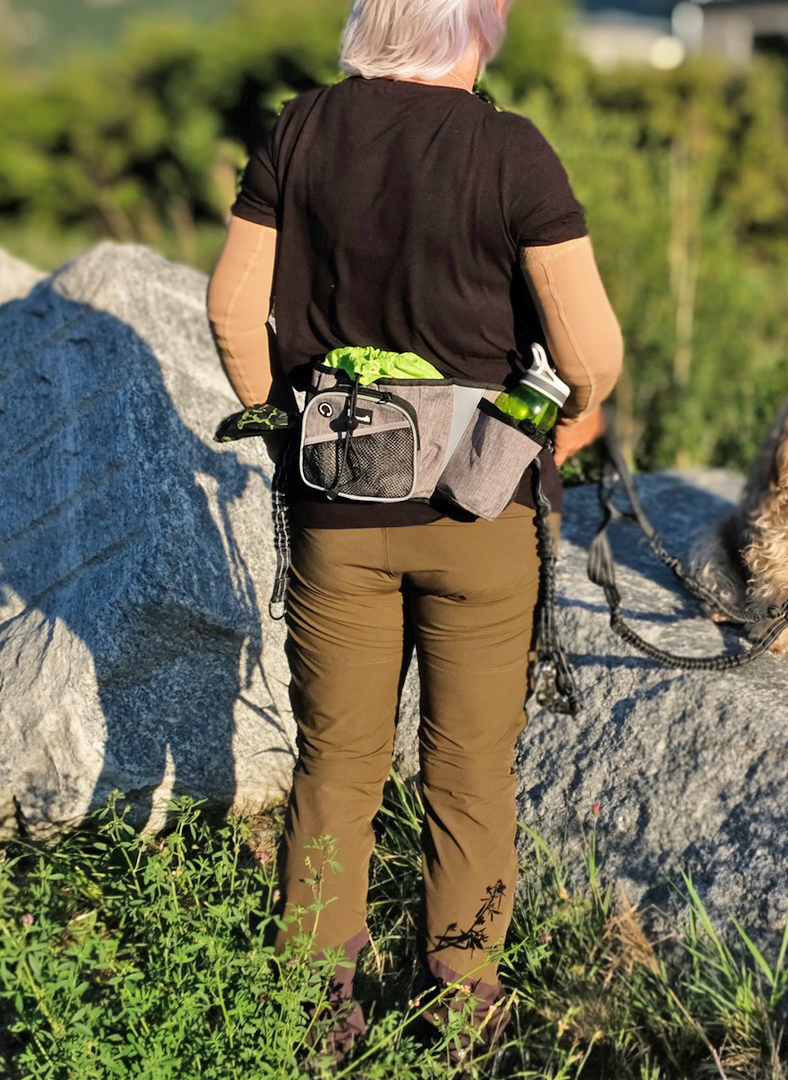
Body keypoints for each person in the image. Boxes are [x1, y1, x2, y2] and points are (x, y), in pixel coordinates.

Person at [204, 0, 624, 1057]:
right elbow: (590, 354)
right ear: (476, 22)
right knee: (469, 769)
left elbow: (230, 311)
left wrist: (283, 425)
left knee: (336, 763)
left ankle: (315, 1007)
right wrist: (572, 412)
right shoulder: (511, 150)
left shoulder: (300, 128)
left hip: (336, 505)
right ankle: (463, 1000)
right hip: (481, 508)